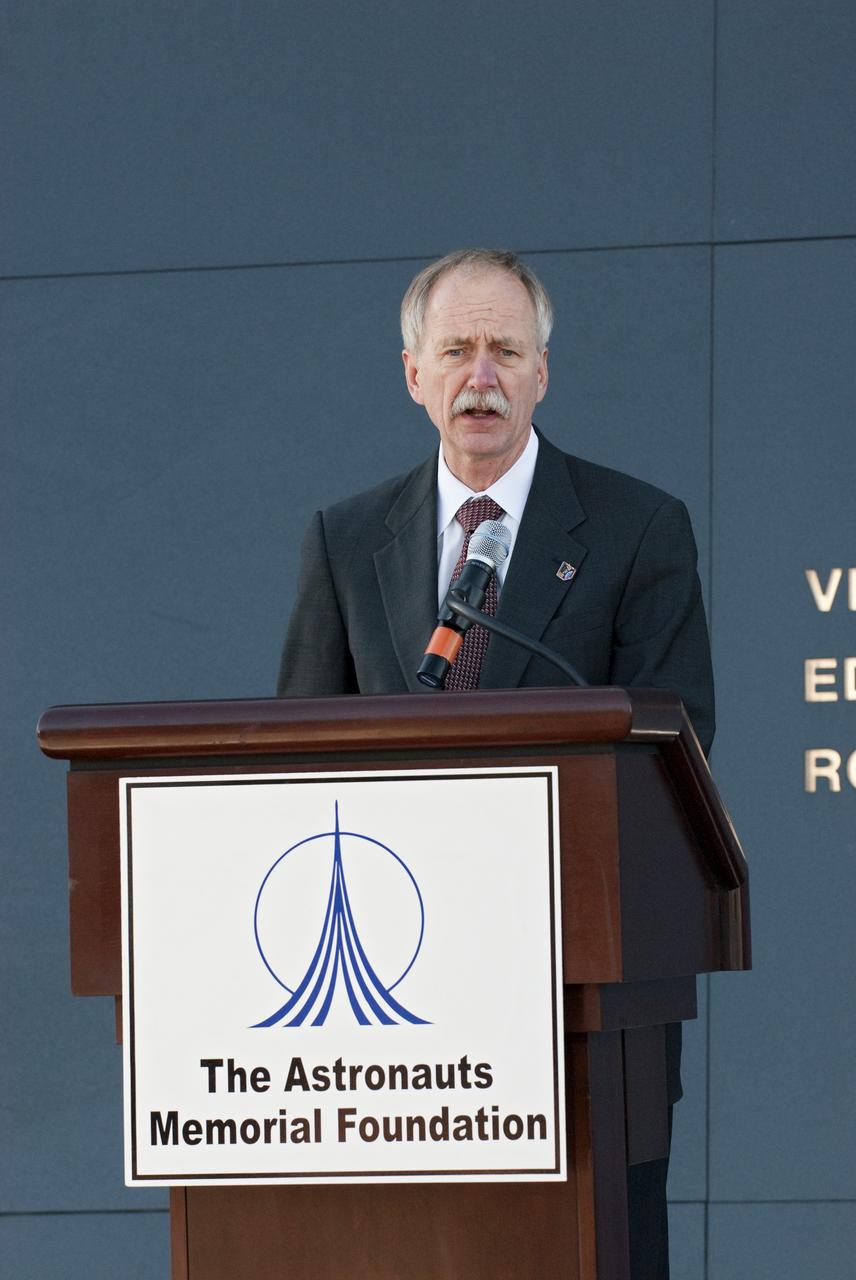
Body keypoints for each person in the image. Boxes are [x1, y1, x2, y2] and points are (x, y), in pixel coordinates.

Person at [277, 248, 714, 1279]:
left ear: (541, 374)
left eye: (506, 349)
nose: (482, 373)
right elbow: (296, 754)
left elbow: (675, 740)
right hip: (392, 1012)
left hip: (582, 995)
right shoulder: (346, 540)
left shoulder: (637, 526)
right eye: (457, 349)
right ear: (413, 373)